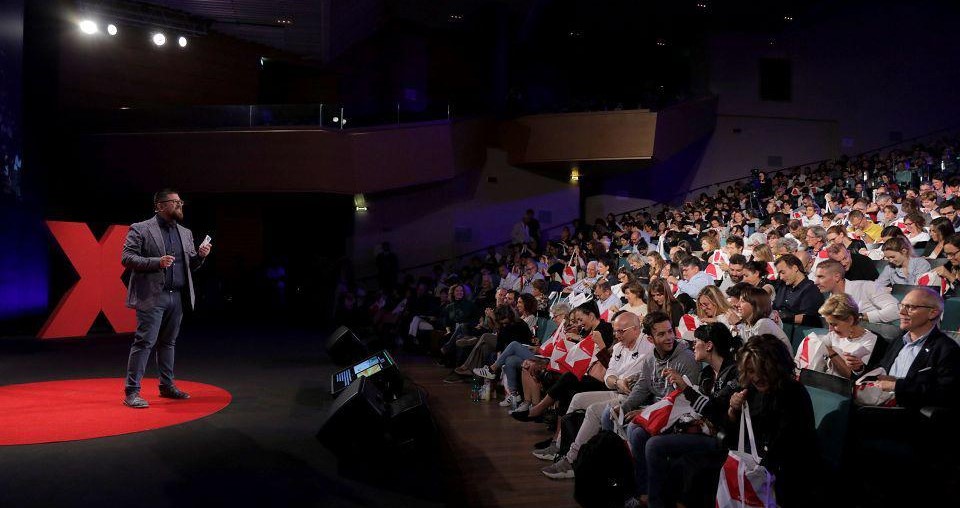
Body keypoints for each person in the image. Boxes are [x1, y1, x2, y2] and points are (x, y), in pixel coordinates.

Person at [121, 189, 212, 408]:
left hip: (177, 297)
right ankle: (132, 392)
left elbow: (190, 266)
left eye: (181, 202)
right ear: (160, 206)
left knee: (168, 343)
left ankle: (166, 385)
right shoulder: (141, 229)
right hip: (153, 296)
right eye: (175, 202)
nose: (180, 205)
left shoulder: (185, 232)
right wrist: (156, 262)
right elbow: (127, 258)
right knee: (144, 342)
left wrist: (200, 256)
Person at [601, 311, 700, 505]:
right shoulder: (649, 359)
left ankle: (643, 491)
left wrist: (644, 413)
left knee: (636, 432)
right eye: (661, 334)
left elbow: (681, 400)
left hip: (677, 415)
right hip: (654, 410)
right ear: (650, 338)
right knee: (609, 414)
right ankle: (617, 483)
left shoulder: (686, 359)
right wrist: (624, 407)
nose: (669, 337)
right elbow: (640, 389)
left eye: (670, 331)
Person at [540, 311, 650, 479]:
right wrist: (617, 381)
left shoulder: (647, 347)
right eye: (615, 331)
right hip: (617, 390)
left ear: (636, 329)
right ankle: (560, 445)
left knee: (593, 409)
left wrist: (617, 380)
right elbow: (609, 376)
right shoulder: (620, 346)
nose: (616, 335)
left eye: (621, 331)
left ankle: (571, 461)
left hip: (633, 397)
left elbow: (629, 379)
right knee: (577, 398)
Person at [649, 324, 741, 508]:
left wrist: (686, 388)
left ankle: (656, 503)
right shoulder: (707, 373)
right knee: (646, 433)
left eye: (696, 342)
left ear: (708, 345)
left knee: (655, 444)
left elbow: (714, 410)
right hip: (701, 428)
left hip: (723, 438)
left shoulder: (734, 373)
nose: (693, 346)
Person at [869, 288, 960, 409]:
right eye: (901, 306)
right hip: (878, 406)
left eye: (910, 307)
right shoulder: (898, 340)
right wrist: (859, 369)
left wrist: (897, 386)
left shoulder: (947, 349)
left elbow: (945, 393)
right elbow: (881, 368)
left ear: (933, 313)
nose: (901, 312)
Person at [810, 293, 878, 378]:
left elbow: (852, 376)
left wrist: (831, 352)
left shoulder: (869, 340)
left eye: (834, 324)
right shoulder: (833, 334)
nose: (830, 329)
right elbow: (816, 343)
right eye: (829, 324)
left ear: (850, 320)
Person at [814, 260, 899, 324]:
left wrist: (860, 316)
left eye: (821, 277)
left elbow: (896, 310)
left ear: (837, 277)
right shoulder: (827, 299)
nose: (815, 282)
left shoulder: (867, 286)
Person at [728, 286, 791, 351]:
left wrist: (738, 324)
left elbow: (754, 353)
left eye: (743, 301)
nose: (737, 305)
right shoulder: (747, 325)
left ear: (755, 305)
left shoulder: (764, 323)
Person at [773, 254, 825, 326]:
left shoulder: (811, 290)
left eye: (783, 272)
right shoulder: (782, 286)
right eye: (779, 274)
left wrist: (784, 317)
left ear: (795, 268)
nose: (781, 277)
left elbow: (809, 318)